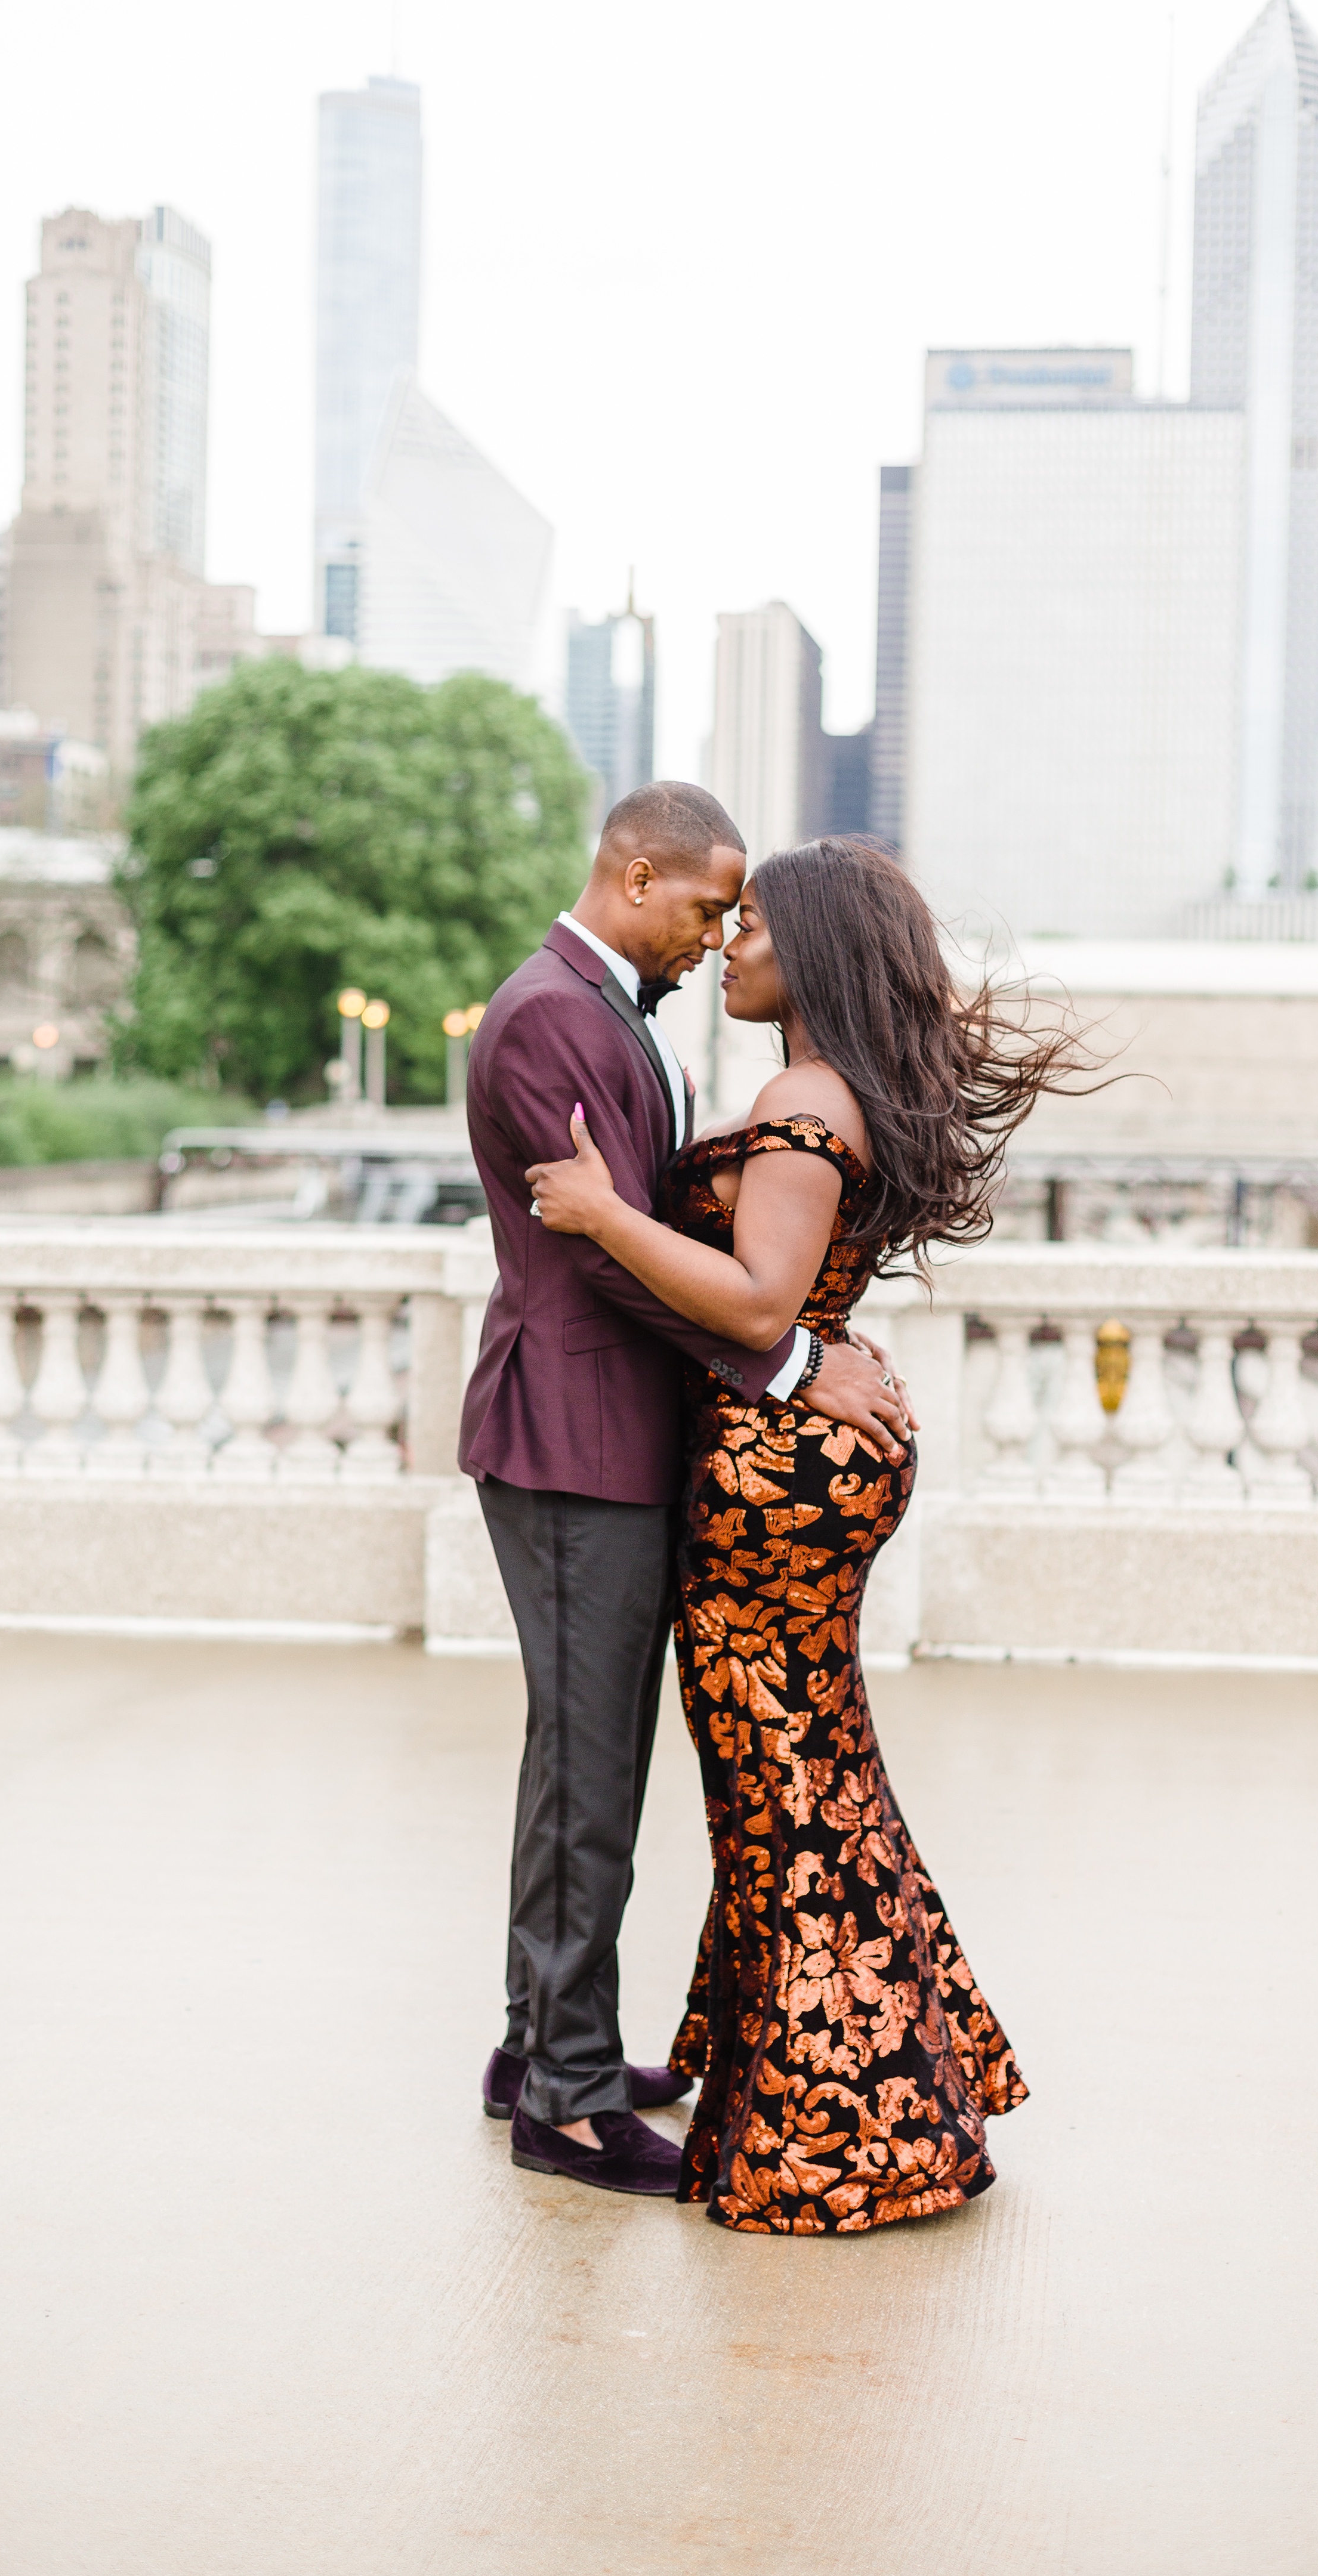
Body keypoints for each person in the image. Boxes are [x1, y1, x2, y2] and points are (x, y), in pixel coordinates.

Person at [527, 834, 1088, 2233]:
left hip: (778, 1480)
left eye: (756, 920)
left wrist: (600, 1211)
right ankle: (871, 2090)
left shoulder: (802, 1091)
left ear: (817, 948)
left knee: (782, 1796)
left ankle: (844, 2128)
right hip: (813, 1464)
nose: (731, 941)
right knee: (812, 1777)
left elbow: (761, 1306)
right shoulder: (834, 1088)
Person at [460, 786, 912, 2201]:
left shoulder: (609, 1016)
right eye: (710, 906)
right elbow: (602, 1250)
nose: (722, 935)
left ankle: (542, 2048)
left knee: (583, 1758)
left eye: (741, 915)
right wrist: (786, 1365)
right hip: (567, 1435)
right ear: (635, 874)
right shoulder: (546, 1013)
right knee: (591, 1770)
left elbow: (642, 1229)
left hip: (615, 1433)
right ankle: (571, 2101)